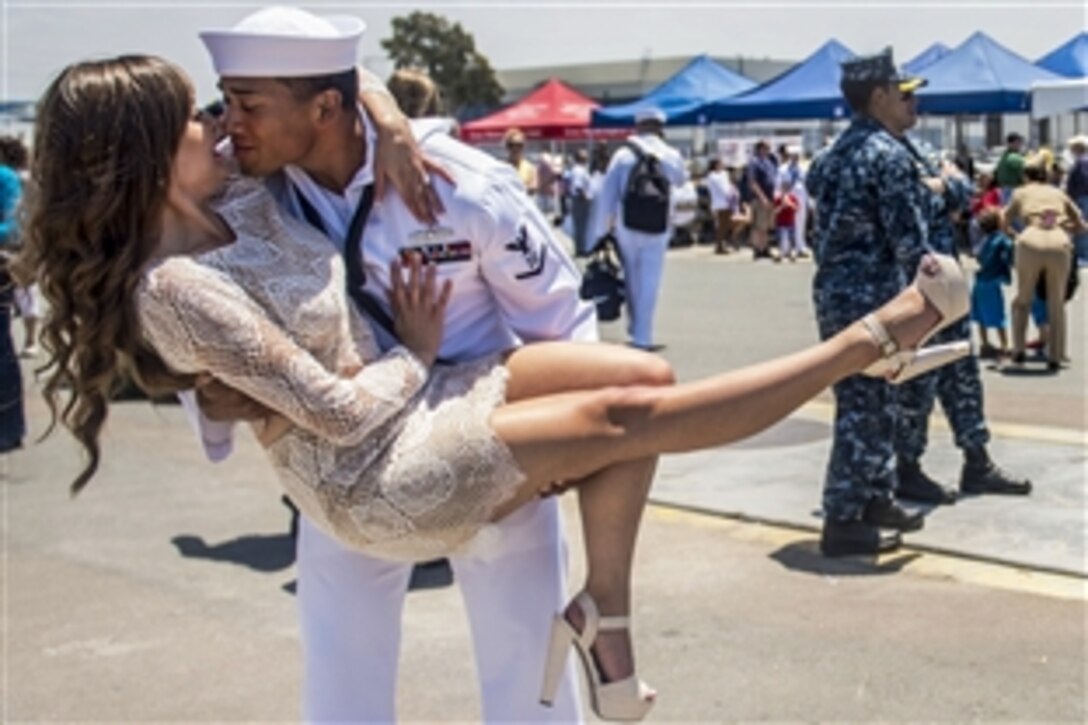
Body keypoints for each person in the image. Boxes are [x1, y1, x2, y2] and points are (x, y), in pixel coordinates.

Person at [23, 53, 970, 724]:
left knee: (641, 378)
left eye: (233, 107)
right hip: (366, 470)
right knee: (622, 420)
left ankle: (604, 608)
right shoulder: (191, 260)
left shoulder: (258, 184)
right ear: (148, 153)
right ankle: (867, 342)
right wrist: (412, 348)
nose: (223, 125)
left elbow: (335, 83)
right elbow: (324, 399)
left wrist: (386, 117)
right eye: (203, 114)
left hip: (444, 405)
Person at [195, 8, 589, 722]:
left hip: (490, 455)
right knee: (341, 678)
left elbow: (558, 320)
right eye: (227, 100)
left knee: (529, 672)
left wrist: (563, 452)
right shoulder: (255, 195)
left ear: (324, 107)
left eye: (249, 104)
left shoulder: (457, 185)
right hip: (346, 466)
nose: (231, 122)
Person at [806, 49, 963, 557]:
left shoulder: (829, 155)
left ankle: (875, 497)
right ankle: (844, 515)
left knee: (872, 400)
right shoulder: (890, 156)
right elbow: (912, 246)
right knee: (864, 404)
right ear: (878, 97)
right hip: (878, 297)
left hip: (836, 290)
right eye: (903, 93)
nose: (911, 102)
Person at [893, 132, 1031, 502]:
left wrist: (947, 183)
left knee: (963, 375)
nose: (911, 104)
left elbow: (963, 192)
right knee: (918, 380)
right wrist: (942, 184)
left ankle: (977, 463)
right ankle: (906, 467)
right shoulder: (882, 153)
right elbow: (915, 199)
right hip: (914, 286)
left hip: (947, 281)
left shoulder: (918, 149)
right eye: (902, 96)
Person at [589, 107, 687, 351]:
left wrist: (601, 230)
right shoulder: (670, 155)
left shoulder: (623, 155)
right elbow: (681, 180)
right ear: (660, 127)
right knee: (650, 280)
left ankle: (636, 328)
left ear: (638, 126)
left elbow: (607, 194)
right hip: (658, 224)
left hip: (628, 224)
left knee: (632, 277)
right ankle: (644, 332)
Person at [1004, 153, 1085, 371]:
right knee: (1056, 303)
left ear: (1025, 176)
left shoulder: (1020, 193)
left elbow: (1004, 219)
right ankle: (1055, 355)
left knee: (1022, 299)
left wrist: (1014, 235)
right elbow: (1081, 223)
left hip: (1030, 240)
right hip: (1059, 242)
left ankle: (1019, 350)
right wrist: (1066, 228)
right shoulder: (1058, 193)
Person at [970, 209, 1013, 358]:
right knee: (998, 314)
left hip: (979, 280)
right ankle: (1005, 346)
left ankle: (985, 344)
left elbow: (977, 256)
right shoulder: (1001, 239)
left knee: (981, 314)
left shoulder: (983, 240)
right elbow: (1009, 254)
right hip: (992, 281)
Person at [744, 140, 777, 260]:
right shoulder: (754, 162)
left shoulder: (769, 162)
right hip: (760, 198)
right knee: (759, 225)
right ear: (760, 149)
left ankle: (765, 247)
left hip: (770, 197)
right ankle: (757, 248)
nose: (768, 150)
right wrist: (762, 197)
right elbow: (753, 182)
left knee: (767, 225)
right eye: (766, 148)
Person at [705, 157, 738, 254]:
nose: (722, 166)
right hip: (720, 204)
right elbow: (723, 188)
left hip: (726, 203)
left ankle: (723, 243)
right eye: (720, 164)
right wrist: (730, 192)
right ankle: (719, 246)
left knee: (726, 224)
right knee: (722, 226)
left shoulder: (722, 175)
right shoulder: (713, 176)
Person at [1064, 134, 1088, 264]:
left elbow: (1083, 180)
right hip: (1082, 196)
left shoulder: (1082, 161)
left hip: (1082, 197)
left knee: (1081, 225)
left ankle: (1083, 254)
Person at [566, 148, 592, 256]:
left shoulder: (580, 169)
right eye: (585, 156)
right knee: (581, 226)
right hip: (580, 201)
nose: (587, 158)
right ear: (580, 158)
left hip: (578, 200)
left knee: (581, 225)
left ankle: (580, 247)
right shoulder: (578, 170)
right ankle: (581, 249)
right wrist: (585, 197)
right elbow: (578, 186)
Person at [772, 178, 801, 262]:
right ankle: (780, 253)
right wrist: (782, 206)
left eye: (786, 188)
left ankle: (791, 252)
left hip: (790, 221)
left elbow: (797, 208)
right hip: (780, 222)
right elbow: (775, 211)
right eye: (783, 188)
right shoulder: (778, 199)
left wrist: (790, 204)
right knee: (780, 238)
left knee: (791, 237)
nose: (785, 190)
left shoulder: (793, 198)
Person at [504, 127, 538, 196]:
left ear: (523, 146)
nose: (515, 148)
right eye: (511, 145)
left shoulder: (530, 168)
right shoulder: (501, 167)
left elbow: (533, 188)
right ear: (507, 146)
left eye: (519, 145)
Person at [994, 132, 1026, 203]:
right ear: (1011, 143)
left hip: (1004, 190)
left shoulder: (1004, 156)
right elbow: (1024, 172)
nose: (1020, 145)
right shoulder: (1014, 157)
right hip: (1013, 189)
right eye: (1018, 142)